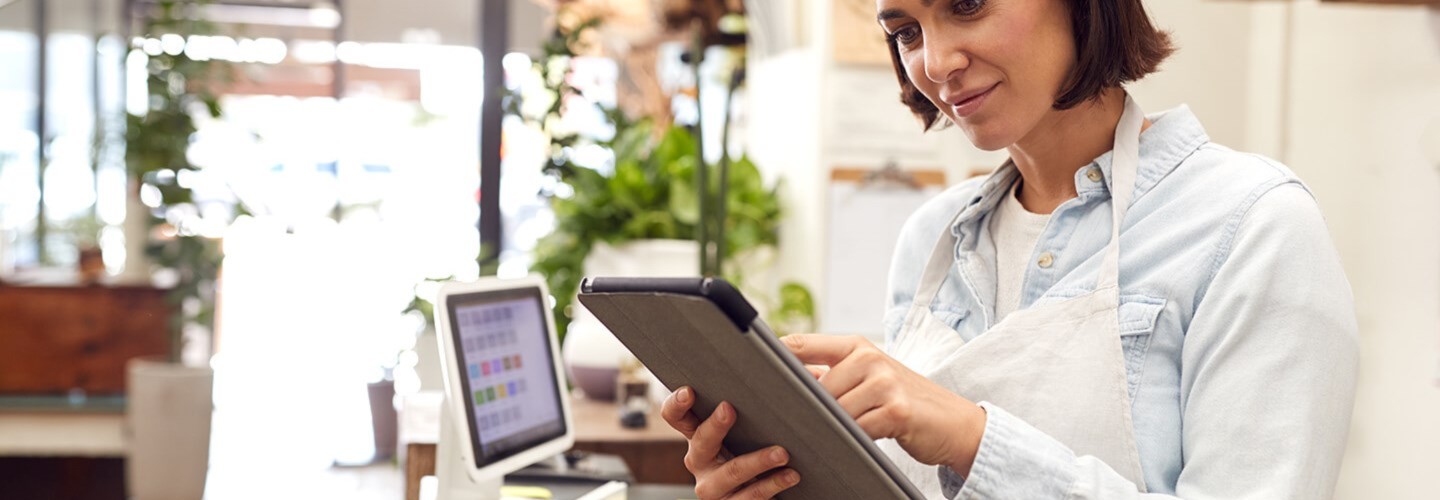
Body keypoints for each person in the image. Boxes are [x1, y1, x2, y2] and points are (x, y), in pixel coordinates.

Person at [661, 0, 1359, 498]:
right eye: (906, 31)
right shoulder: (930, 240)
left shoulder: (1253, 227)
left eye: (965, 6)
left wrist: (973, 438)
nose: (934, 63)